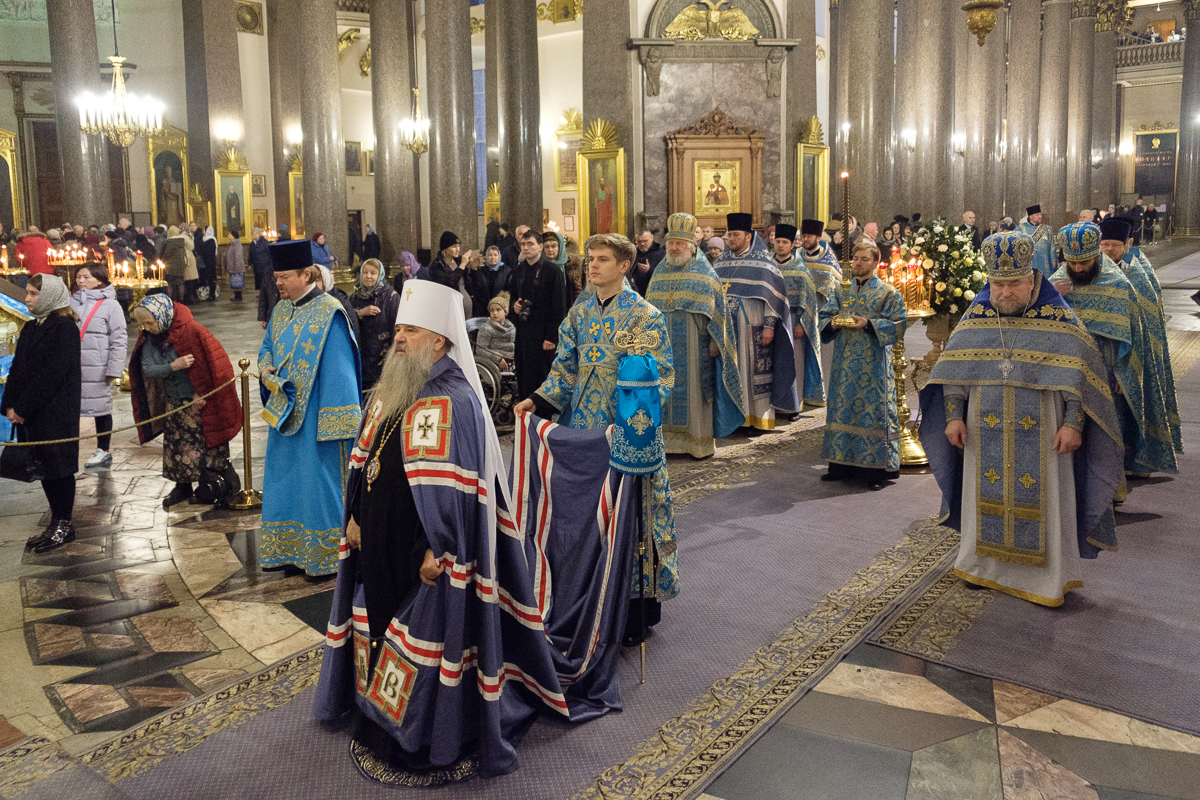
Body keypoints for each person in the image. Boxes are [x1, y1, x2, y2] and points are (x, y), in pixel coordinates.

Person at [920, 231, 1123, 607]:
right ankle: (982, 568)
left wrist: (1073, 424)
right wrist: (953, 417)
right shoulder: (978, 316)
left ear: (1032, 280)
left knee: (1045, 501)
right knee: (984, 498)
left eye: (1014, 284)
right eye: (998, 284)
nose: (1006, 293)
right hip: (983, 429)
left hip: (1046, 432)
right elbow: (955, 373)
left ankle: (1046, 581)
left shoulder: (1059, 318)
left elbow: (1081, 378)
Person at [515, 232, 676, 645]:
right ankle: (587, 602)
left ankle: (635, 610)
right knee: (589, 517)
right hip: (583, 436)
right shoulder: (579, 314)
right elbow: (564, 370)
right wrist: (537, 399)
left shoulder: (645, 316)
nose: (593, 266)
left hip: (625, 437)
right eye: (591, 259)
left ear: (624, 266)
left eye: (603, 259)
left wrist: (633, 427)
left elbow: (660, 380)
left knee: (630, 517)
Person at [258, 239, 363, 576]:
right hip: (284, 414)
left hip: (317, 418)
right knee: (286, 483)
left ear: (307, 274)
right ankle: (289, 550)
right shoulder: (280, 310)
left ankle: (324, 556)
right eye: (275, 278)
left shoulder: (330, 313)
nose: (278, 284)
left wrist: (338, 426)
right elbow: (267, 348)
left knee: (318, 486)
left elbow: (340, 371)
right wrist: (265, 368)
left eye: (284, 277)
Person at [1053, 221, 1174, 477]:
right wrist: (1052, 296)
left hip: (1107, 367)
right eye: (1072, 263)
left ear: (1094, 256)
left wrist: (1127, 371)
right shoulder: (1057, 282)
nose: (1077, 268)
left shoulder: (1117, 283)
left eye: (1083, 263)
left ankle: (1110, 483)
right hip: (1066, 364)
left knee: (1107, 427)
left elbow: (1135, 332)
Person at [129, 295, 242, 508]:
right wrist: (173, 366)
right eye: (142, 324)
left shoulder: (192, 331)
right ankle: (182, 486)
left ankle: (211, 483)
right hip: (174, 401)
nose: (146, 328)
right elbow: (148, 367)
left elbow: (213, 369)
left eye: (149, 322)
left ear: (161, 317)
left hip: (198, 401)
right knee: (177, 446)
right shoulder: (151, 339)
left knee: (203, 444)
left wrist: (203, 395)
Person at [645, 212, 743, 458]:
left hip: (695, 346)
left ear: (691, 245)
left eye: (679, 244)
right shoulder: (659, 273)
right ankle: (666, 444)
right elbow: (647, 311)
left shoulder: (705, 273)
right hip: (662, 348)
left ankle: (696, 445)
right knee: (662, 391)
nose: (675, 248)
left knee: (695, 394)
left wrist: (715, 341)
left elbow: (718, 312)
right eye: (671, 243)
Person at [818, 240, 908, 490]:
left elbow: (899, 325)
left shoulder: (888, 292)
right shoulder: (840, 290)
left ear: (875, 262)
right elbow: (824, 317)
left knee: (873, 412)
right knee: (842, 407)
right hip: (844, 362)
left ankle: (875, 472)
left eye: (864, 259)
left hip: (873, 364)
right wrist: (834, 322)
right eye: (855, 258)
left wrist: (868, 324)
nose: (858, 263)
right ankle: (840, 465)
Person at [2, 275, 81, 552]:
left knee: (59, 469)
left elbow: (53, 376)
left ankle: (64, 524)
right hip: (33, 412)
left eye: (34, 294)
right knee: (45, 467)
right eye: (28, 293)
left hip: (55, 412)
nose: (28, 299)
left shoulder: (64, 328)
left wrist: (23, 408)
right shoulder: (33, 327)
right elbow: (18, 368)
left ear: (48, 296)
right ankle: (55, 522)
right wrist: (9, 405)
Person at [714, 212, 799, 430]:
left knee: (753, 375)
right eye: (729, 235)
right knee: (732, 371)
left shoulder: (764, 263)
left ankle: (757, 419)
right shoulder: (721, 262)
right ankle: (735, 419)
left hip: (753, 326)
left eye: (735, 235)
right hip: (727, 328)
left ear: (748, 236)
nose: (730, 239)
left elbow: (773, 300)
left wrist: (769, 326)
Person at [70, 262, 127, 469]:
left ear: (100, 280)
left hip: (98, 366)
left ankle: (103, 450)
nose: (81, 281)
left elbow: (119, 338)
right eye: (79, 277)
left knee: (100, 408)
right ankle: (67, 448)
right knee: (69, 408)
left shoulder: (111, 305)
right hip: (72, 366)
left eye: (86, 277)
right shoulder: (70, 302)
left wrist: (114, 368)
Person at [510, 228, 567, 401]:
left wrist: (551, 337)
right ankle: (525, 413)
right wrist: (515, 307)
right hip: (524, 331)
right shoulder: (518, 270)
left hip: (543, 334)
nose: (526, 248)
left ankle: (542, 417)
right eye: (523, 244)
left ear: (540, 246)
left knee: (542, 375)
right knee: (524, 373)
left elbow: (559, 306)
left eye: (530, 244)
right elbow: (513, 297)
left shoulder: (552, 271)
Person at [773, 223, 825, 409]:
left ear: (792, 245)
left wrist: (801, 323)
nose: (780, 245)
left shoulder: (800, 268)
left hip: (794, 320)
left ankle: (796, 403)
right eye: (778, 241)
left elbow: (808, 298)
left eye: (784, 242)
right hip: (771, 321)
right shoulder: (768, 266)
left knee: (794, 362)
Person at [350, 258, 400, 392]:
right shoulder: (354, 297)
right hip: (361, 358)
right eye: (365, 272)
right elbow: (347, 322)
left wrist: (389, 357)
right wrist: (360, 312)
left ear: (380, 275)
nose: (368, 276)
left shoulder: (391, 296)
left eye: (373, 273)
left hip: (381, 358)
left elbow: (396, 328)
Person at [426, 231, 479, 319]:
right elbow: (449, 283)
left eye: (458, 246)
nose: (458, 249)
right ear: (445, 248)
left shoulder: (458, 261)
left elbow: (472, 285)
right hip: (450, 309)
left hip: (467, 309)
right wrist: (462, 265)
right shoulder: (436, 265)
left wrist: (473, 269)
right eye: (454, 246)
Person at [798, 219, 842, 303]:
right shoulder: (797, 256)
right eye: (803, 236)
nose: (805, 239)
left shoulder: (828, 259)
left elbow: (837, 283)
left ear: (818, 238)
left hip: (823, 305)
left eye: (809, 236)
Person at [476, 292, 516, 368]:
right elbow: (480, 350)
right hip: (494, 363)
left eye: (498, 310)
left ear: (505, 312)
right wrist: (498, 359)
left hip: (512, 360)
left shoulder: (511, 328)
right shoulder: (486, 328)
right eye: (492, 310)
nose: (495, 313)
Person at [1015, 204, 1055, 278]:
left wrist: (1053, 259)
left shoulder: (1047, 229)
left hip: (1044, 262)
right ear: (1030, 216)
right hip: (1028, 263)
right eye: (1037, 215)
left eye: (1040, 214)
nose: (1040, 216)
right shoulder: (1020, 229)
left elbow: (1052, 245)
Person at [159, 226, 189, 303]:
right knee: (180, 283)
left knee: (169, 283)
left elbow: (167, 254)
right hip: (180, 265)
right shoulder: (181, 242)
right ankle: (181, 300)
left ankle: (170, 300)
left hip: (170, 266)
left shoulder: (170, 242)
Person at [632, 229, 665, 296]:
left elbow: (665, 273)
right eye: (639, 241)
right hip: (636, 292)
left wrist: (649, 270)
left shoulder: (662, 254)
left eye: (645, 241)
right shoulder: (633, 254)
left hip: (654, 292)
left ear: (651, 238)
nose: (642, 244)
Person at [224, 229, 246, 302]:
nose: (228, 236)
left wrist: (237, 269)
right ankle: (236, 296)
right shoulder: (232, 244)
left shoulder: (237, 245)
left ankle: (239, 297)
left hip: (236, 268)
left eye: (230, 234)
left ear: (233, 236)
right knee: (235, 283)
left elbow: (238, 257)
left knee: (238, 283)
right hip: (232, 267)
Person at [197, 226, 218, 301]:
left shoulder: (211, 240)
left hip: (210, 262)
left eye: (204, 230)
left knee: (211, 279)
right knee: (207, 278)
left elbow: (208, 252)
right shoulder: (205, 239)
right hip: (206, 262)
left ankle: (212, 295)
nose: (203, 232)